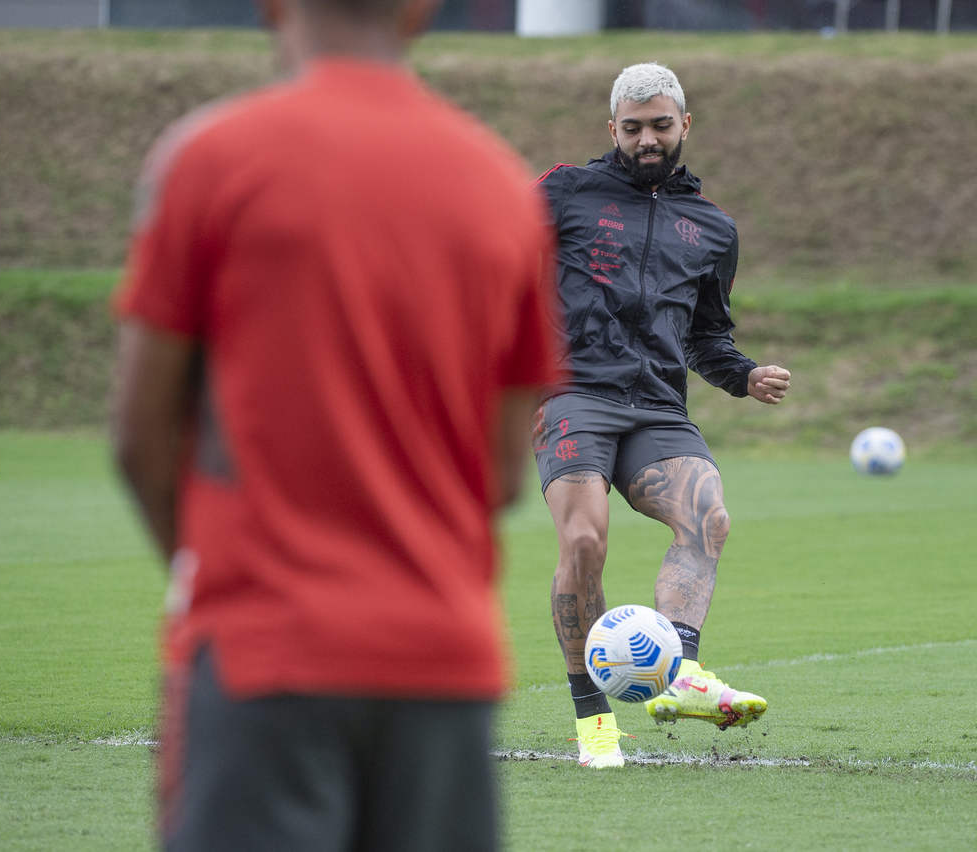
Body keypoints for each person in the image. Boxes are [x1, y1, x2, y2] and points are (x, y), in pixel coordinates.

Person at [110, 0, 563, 847]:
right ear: (424, 11)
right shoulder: (502, 186)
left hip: (265, 656)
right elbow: (503, 473)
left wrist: (220, 571)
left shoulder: (210, 159)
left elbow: (138, 435)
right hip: (443, 659)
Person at [533, 63, 791, 769]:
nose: (648, 138)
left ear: (685, 124)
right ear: (612, 129)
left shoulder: (712, 229)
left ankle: (681, 675)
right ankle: (594, 723)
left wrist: (743, 375)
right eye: (634, 127)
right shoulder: (565, 193)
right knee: (584, 543)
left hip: (655, 406)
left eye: (661, 125)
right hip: (572, 394)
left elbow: (707, 336)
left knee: (709, 519)